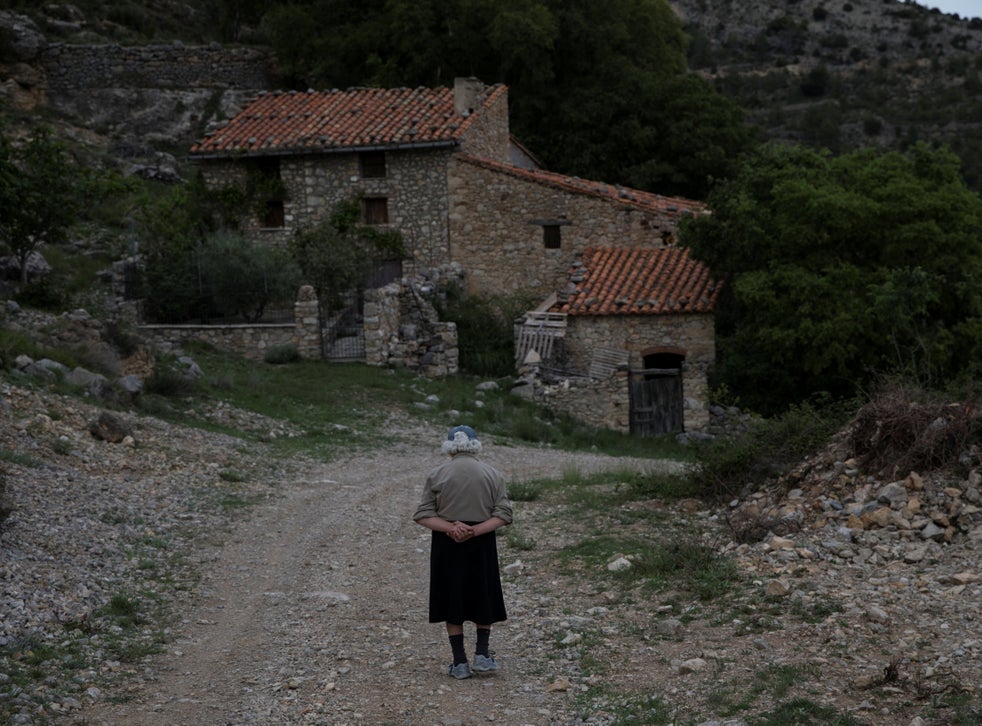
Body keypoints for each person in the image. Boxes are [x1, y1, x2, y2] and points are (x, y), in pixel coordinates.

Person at [413, 425, 513, 680]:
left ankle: (459, 663)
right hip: (482, 544)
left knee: (451, 598)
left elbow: (422, 515)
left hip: (447, 545)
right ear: (476, 445)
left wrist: (451, 528)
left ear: (449, 448)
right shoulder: (493, 474)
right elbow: (504, 515)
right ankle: (482, 655)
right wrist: (475, 531)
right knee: (483, 594)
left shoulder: (437, 474)